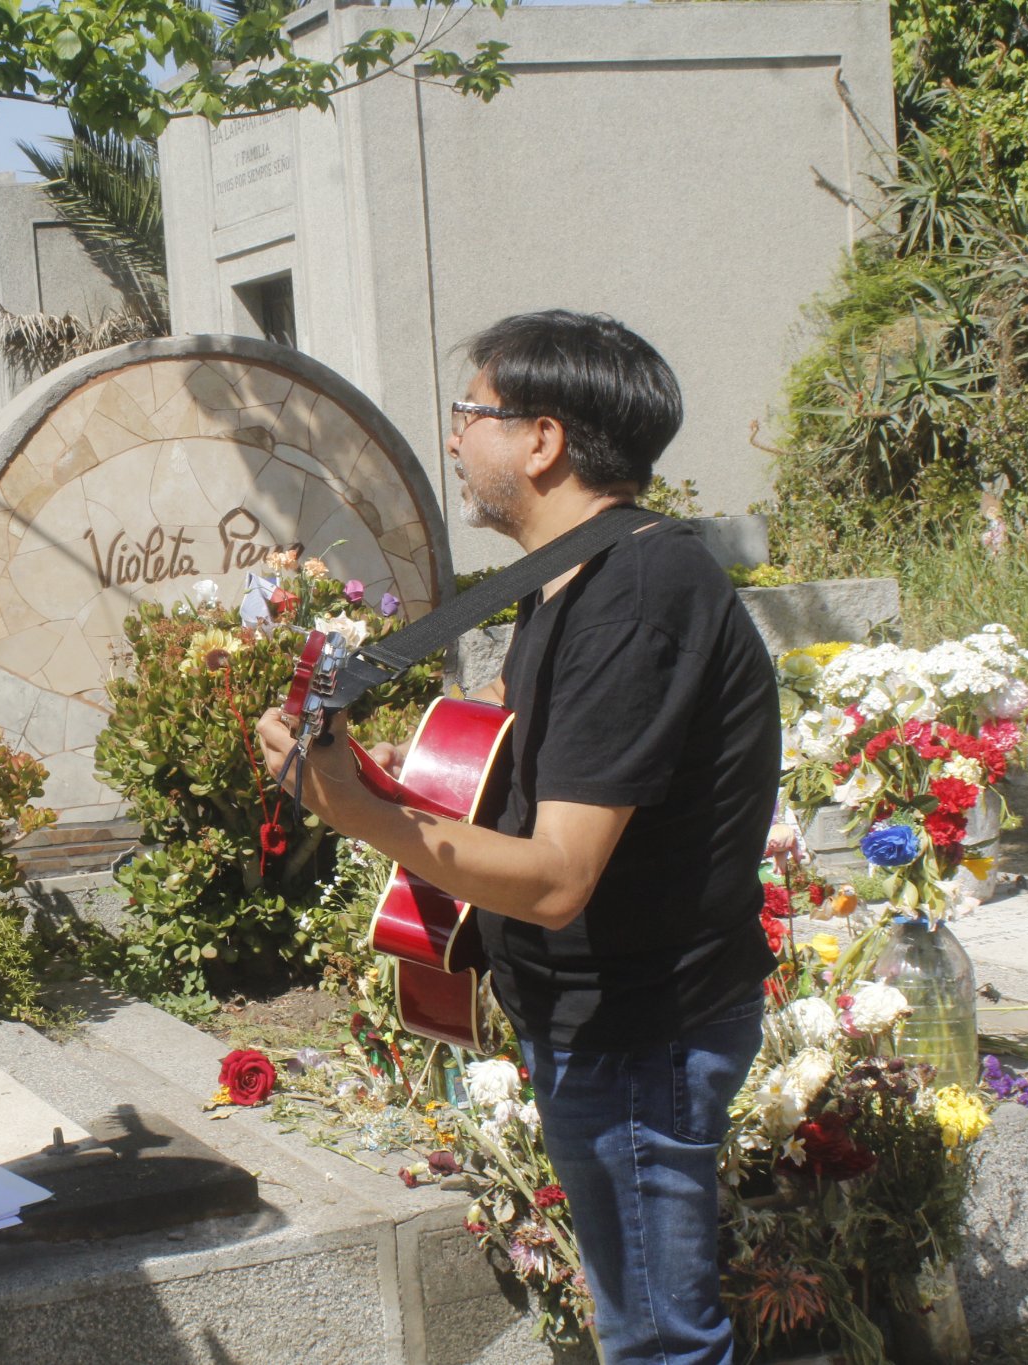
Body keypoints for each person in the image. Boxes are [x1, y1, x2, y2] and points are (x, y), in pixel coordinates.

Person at [258, 310, 780, 1365]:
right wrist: (373, 769)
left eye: (470, 413)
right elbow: (519, 762)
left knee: (660, 1342)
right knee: (644, 1327)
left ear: (542, 440)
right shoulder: (571, 579)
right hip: (601, 1021)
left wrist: (353, 811)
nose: (453, 437)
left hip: (638, 1031)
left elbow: (554, 879)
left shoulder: (635, 595)